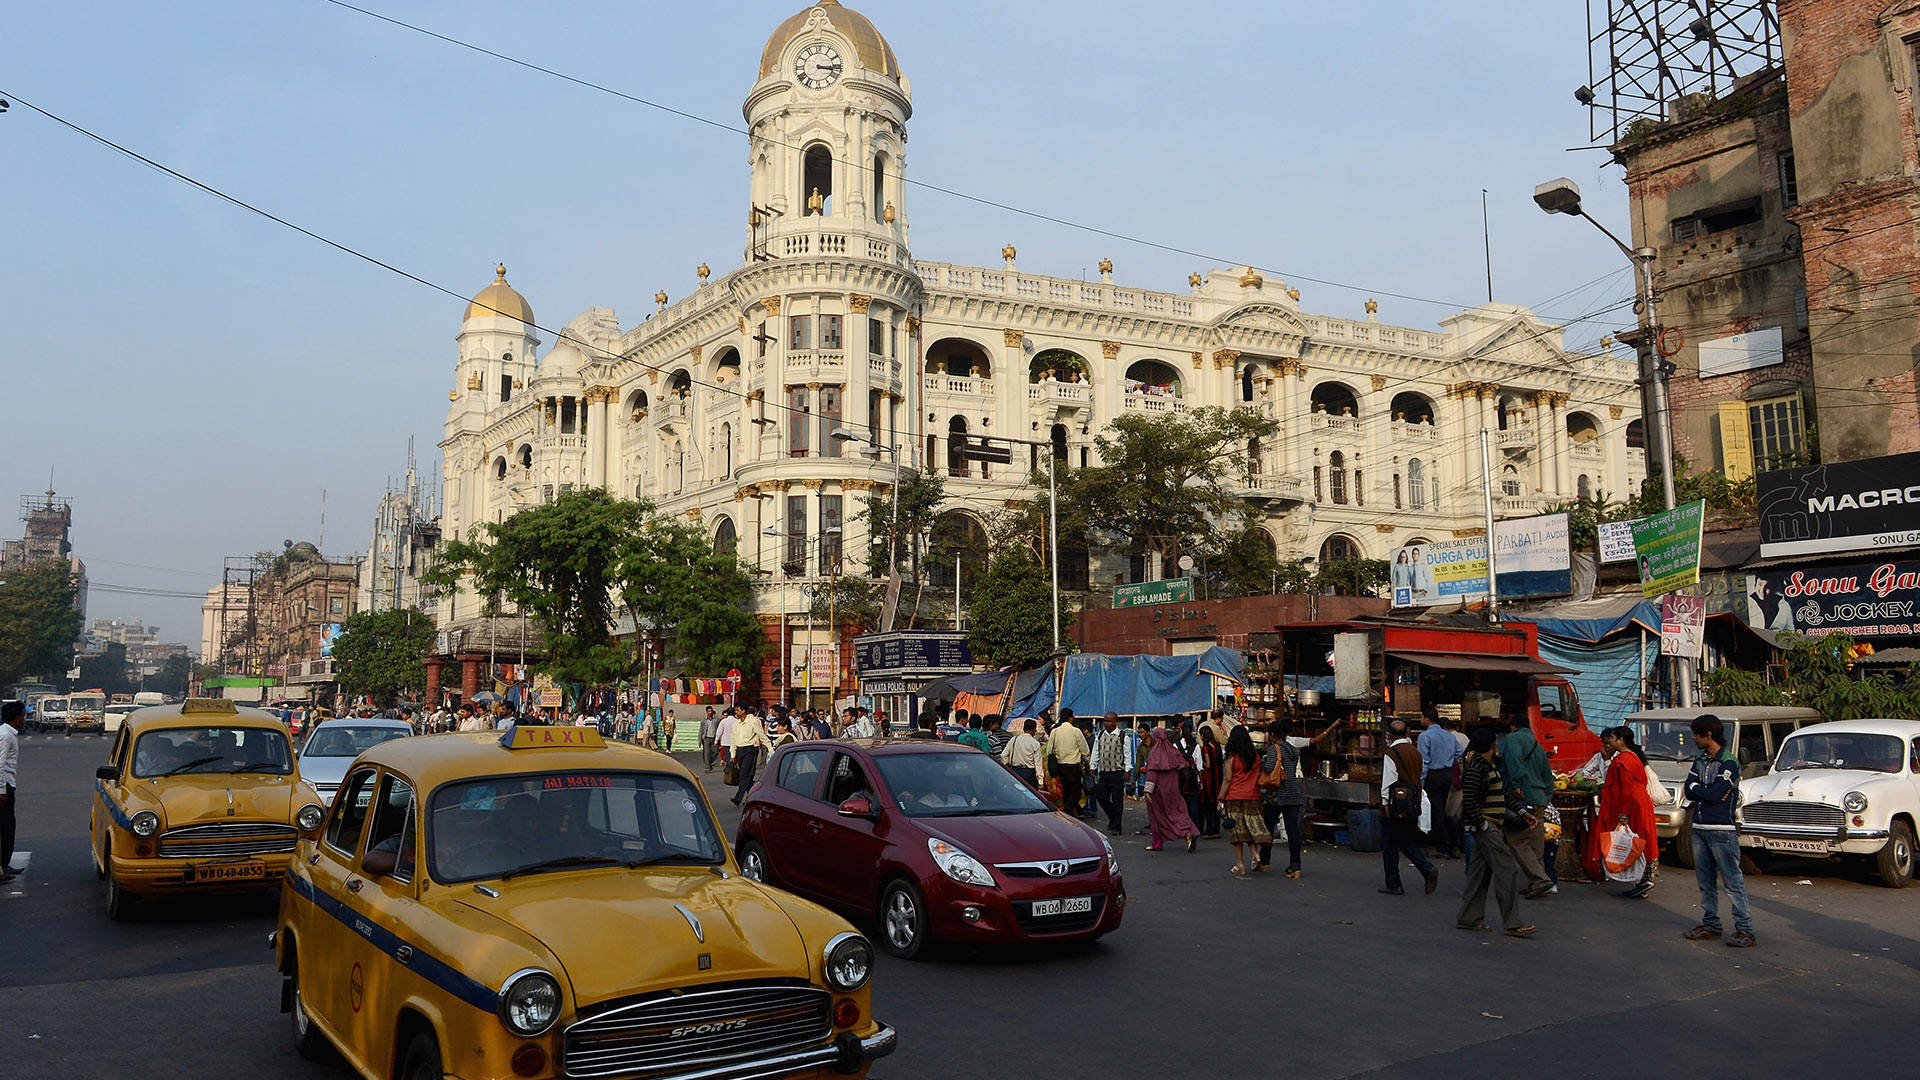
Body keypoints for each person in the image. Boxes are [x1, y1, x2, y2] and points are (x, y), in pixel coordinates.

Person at [1457, 727, 1536, 938]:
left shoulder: (1489, 767)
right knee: (1507, 869)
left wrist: (1521, 812)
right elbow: (1471, 800)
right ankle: (1512, 923)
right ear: (1493, 745)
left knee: (1479, 874)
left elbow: (1502, 795)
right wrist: (1482, 824)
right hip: (1487, 827)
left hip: (1489, 825)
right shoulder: (1477, 769)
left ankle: (1469, 918)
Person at [1684, 714, 1753, 947]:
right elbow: (1689, 789)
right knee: (1705, 882)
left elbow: (1712, 795)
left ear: (1709, 734)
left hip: (1721, 831)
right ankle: (1711, 924)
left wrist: (1700, 789)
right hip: (1699, 829)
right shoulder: (1700, 760)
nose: (1693, 738)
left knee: (1733, 883)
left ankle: (1745, 929)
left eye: (1696, 734)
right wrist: (1705, 790)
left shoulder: (1729, 763)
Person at [1258, 719, 1336, 877]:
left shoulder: (1275, 749)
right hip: (1293, 793)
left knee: (1268, 829)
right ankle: (1295, 866)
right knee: (1293, 831)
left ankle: (1265, 862)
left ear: (1273, 735)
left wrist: (1264, 760)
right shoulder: (1294, 750)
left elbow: (1269, 767)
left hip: (1277, 794)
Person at [1592, 726, 1660, 898]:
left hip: (1632, 804)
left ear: (1621, 740)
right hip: (1637, 802)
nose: (1610, 741)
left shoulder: (1624, 760)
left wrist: (1623, 814)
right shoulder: (1630, 757)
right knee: (1639, 838)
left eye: (1613, 738)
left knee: (1635, 841)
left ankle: (1643, 879)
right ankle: (1642, 880)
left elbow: (1626, 789)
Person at [1379, 719, 1441, 896]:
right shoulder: (1415, 752)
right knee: (1404, 840)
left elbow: (1388, 783)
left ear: (1390, 735)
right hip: (1412, 803)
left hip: (1396, 805)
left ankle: (1394, 883)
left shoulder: (1391, 753)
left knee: (1390, 844)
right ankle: (1426, 868)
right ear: (1407, 733)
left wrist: (1385, 806)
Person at [1502, 715, 1556, 898]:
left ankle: (1540, 879)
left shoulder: (1513, 739)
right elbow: (1548, 776)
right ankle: (1538, 883)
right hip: (1539, 798)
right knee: (1535, 844)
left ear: (1513, 727)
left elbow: (1513, 763)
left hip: (1522, 798)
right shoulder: (1537, 744)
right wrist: (1546, 795)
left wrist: (1516, 785)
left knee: (1516, 840)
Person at [1218, 726, 1270, 879]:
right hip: (1253, 795)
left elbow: (1227, 779)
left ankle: (1240, 864)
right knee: (1249, 829)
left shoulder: (1231, 757)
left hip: (1234, 796)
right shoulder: (1255, 755)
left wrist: (1220, 797)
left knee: (1237, 832)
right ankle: (1255, 854)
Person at [1141, 726, 1199, 852]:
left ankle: (1157, 842)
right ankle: (1188, 832)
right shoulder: (1174, 751)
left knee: (1157, 816)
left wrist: (1147, 791)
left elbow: (1152, 773)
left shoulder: (1155, 753)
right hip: (1174, 789)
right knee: (1178, 812)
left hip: (1159, 791)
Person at [1419, 712, 1464, 859]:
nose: (1420, 720)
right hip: (1448, 774)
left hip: (1434, 775)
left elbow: (1424, 761)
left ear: (1427, 719)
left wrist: (1421, 781)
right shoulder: (1449, 735)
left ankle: (1443, 846)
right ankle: (1454, 844)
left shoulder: (1425, 736)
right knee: (1448, 810)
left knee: (1436, 811)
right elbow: (1460, 752)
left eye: (1421, 717)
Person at [1044, 711, 1090, 818]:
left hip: (1060, 766)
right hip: (1073, 766)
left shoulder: (1055, 731)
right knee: (1076, 793)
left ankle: (1070, 815)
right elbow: (1084, 749)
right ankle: (1065, 813)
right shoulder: (1076, 731)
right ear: (1071, 718)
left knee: (1067, 791)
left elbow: (1049, 750)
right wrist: (1088, 761)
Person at [1091, 713, 1130, 836]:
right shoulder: (1100, 734)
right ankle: (1113, 817)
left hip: (1117, 773)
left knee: (1117, 800)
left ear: (1115, 722)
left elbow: (1127, 754)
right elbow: (1096, 751)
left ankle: (1116, 826)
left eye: (1108, 721)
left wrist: (1127, 770)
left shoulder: (1123, 736)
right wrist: (1093, 766)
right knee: (1101, 797)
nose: (1106, 723)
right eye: (1105, 721)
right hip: (1103, 772)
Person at [730, 708, 772, 805]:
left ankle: (738, 798)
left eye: (738, 710)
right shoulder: (736, 724)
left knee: (744, 774)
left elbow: (761, 735)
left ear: (743, 711)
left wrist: (770, 748)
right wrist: (733, 754)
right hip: (740, 751)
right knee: (748, 775)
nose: (736, 712)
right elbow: (733, 739)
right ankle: (752, 797)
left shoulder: (753, 722)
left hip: (750, 750)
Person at [0, 701, 22, 883]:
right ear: (16, 717)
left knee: (8, 826)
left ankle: (4, 864)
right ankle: (2, 865)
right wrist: (1, 791)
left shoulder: (9, 734)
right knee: (5, 827)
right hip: (4, 786)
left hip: (8, 784)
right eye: (23, 715)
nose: (24, 718)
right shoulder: (5, 736)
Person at [1191, 725, 1224, 838]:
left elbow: (1208, 764)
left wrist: (1198, 763)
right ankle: (1216, 830)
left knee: (1207, 805)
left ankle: (1210, 830)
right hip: (1217, 777)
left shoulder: (1205, 748)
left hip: (1208, 778)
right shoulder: (1217, 746)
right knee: (1215, 803)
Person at [1001, 719, 1044, 788]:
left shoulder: (1014, 740)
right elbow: (1038, 764)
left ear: (1023, 729)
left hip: (1015, 771)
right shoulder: (1035, 743)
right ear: (1034, 730)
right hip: (1029, 774)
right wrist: (1040, 781)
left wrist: (1007, 766)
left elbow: (1003, 755)